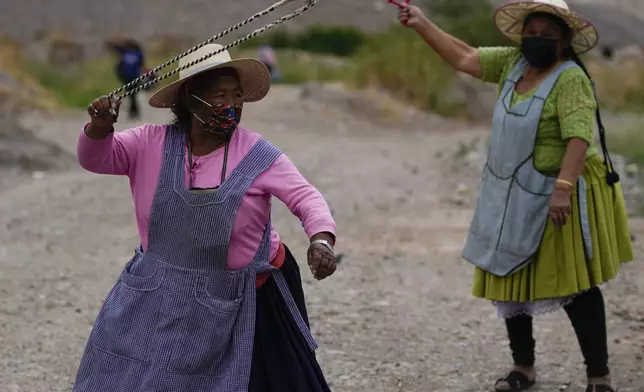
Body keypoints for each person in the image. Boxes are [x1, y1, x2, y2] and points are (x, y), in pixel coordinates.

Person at [72, 43, 337, 392]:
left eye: (237, 95)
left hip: (244, 298)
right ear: (189, 101)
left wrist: (321, 238)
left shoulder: (258, 154)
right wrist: (99, 128)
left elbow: (306, 197)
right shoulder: (148, 143)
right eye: (220, 95)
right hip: (160, 292)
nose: (232, 104)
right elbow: (97, 159)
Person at [398, 1, 633, 391]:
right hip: (509, 191)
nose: (536, 40)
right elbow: (464, 56)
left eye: (546, 35)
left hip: (560, 191)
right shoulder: (513, 64)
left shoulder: (570, 78)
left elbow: (579, 136)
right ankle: (523, 368)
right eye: (531, 32)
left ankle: (599, 375)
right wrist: (422, 23)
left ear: (563, 41)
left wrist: (562, 189)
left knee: (576, 285)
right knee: (509, 276)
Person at [108, 39, 145, 120]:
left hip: (133, 78)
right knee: (132, 95)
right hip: (128, 77)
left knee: (133, 95)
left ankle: (133, 112)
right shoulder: (131, 53)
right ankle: (134, 112)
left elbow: (141, 65)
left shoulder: (135, 54)